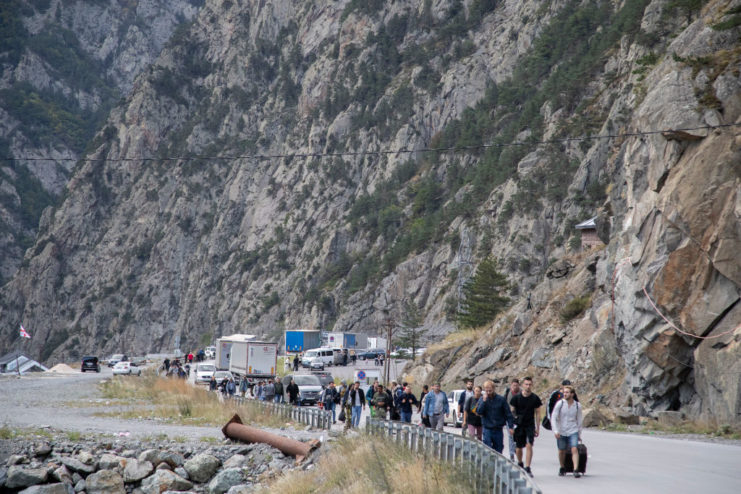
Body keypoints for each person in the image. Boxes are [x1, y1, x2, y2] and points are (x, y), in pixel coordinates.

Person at [510, 377, 542, 477]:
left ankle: (528, 467)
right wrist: (511, 425)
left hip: (529, 425)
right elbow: (511, 411)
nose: (528, 386)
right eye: (526, 384)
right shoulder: (516, 398)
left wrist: (537, 428)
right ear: (522, 385)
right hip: (519, 425)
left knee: (529, 445)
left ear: (532, 385)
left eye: (530, 384)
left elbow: (538, 413)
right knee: (519, 448)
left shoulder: (535, 398)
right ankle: (520, 462)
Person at [551, 385, 583, 478]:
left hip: (573, 430)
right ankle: (562, 467)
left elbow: (579, 420)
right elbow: (554, 417)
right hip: (561, 430)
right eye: (564, 392)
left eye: (567, 392)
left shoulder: (577, 405)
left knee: (574, 448)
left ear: (572, 394)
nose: (565, 394)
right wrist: (555, 430)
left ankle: (576, 469)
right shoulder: (560, 404)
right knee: (561, 450)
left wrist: (579, 433)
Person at [474, 380, 514, 454]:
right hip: (487, 428)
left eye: (490, 390)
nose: (488, 392)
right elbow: (479, 412)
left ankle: (497, 465)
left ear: (493, 389)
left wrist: (511, 427)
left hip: (498, 429)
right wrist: (484, 401)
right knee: (487, 450)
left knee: (499, 450)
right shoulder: (482, 399)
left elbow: (508, 414)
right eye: (487, 390)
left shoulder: (501, 400)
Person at [504, 378, 521, 460]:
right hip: (509, 418)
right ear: (511, 385)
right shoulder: (508, 393)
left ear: (519, 386)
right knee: (510, 436)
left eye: (516, 385)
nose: (515, 387)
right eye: (513, 385)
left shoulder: (522, 393)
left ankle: (516, 448)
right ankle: (511, 454)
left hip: (519, 418)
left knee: (517, 436)